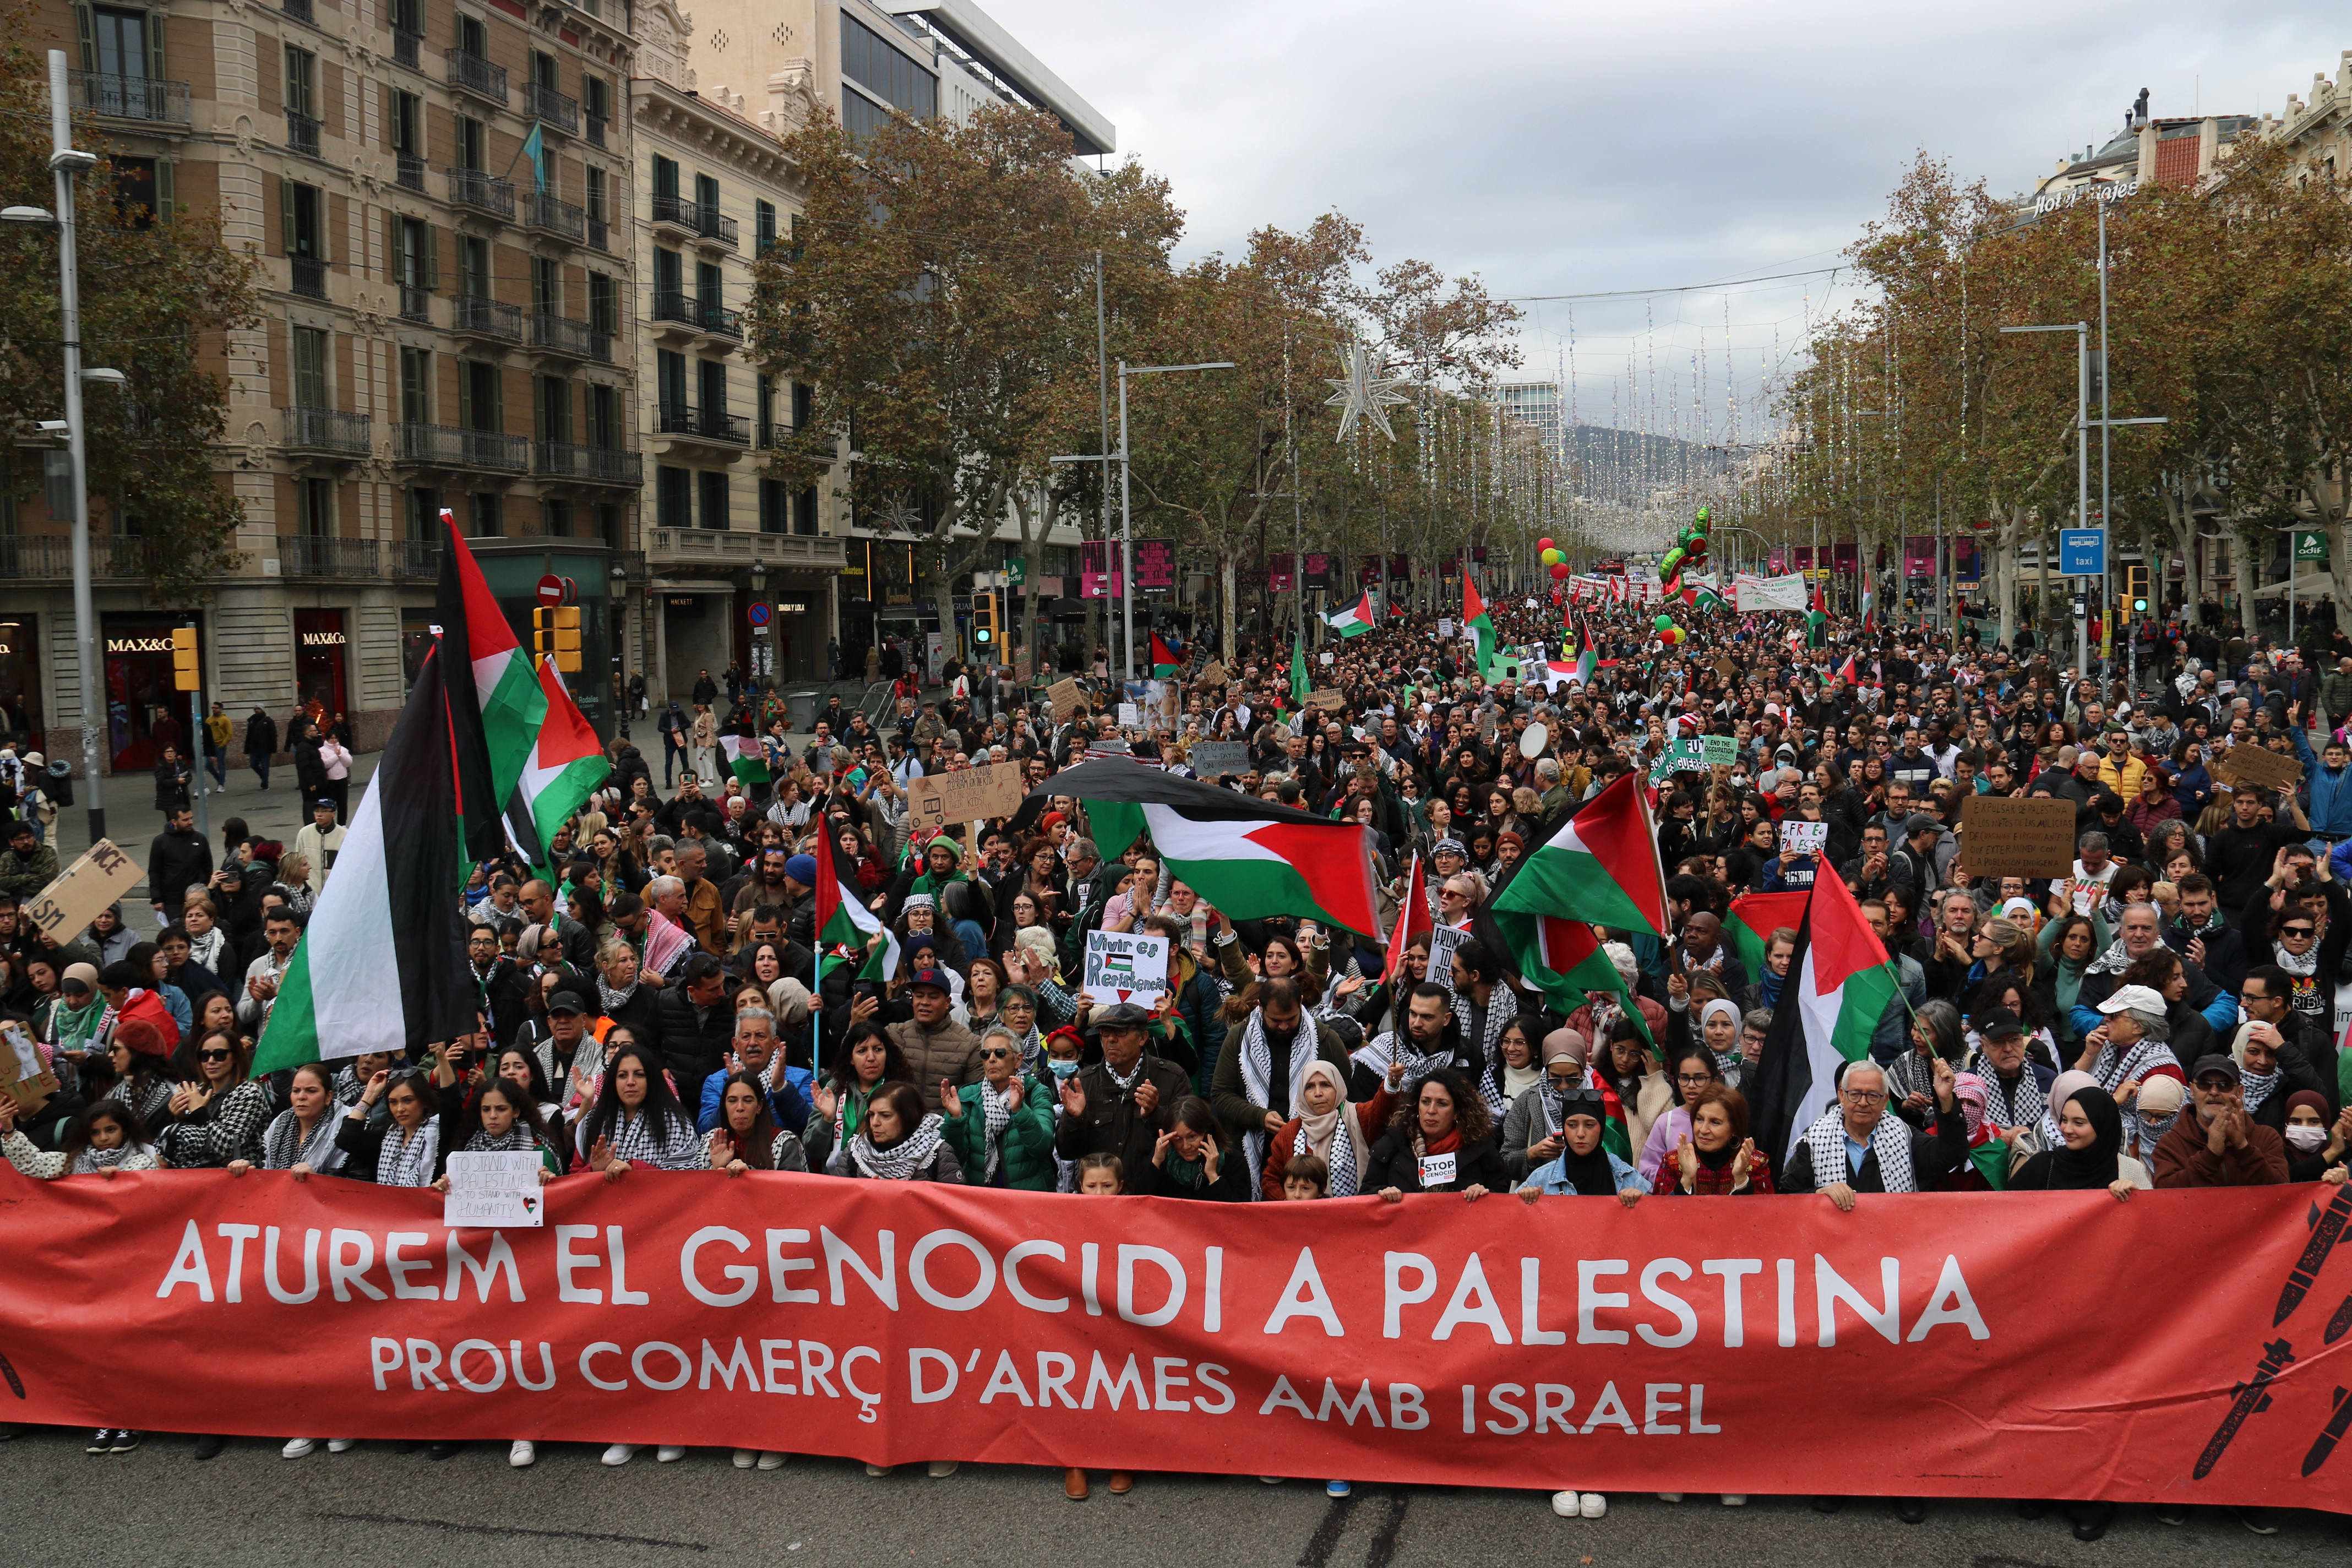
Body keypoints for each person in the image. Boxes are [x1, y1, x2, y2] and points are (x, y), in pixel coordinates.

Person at [1779, 1057, 1968, 1202]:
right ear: (1841, 1096)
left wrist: (1946, 1101)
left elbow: (1952, 1154)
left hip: (1892, 1245)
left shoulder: (1904, 1136)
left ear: (1885, 1100)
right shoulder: (1815, 1140)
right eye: (1855, 1094)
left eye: (1872, 1096)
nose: (1863, 1103)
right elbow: (1788, 1194)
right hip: (1830, 1246)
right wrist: (1820, 1193)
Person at [939, 1025, 1056, 1189]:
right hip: (980, 1196)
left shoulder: (1036, 1092)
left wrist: (1020, 1111)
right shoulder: (968, 1095)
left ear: (1018, 1060)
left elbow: (1043, 1147)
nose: (991, 1059)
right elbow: (955, 1156)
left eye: (1000, 1053)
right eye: (985, 1054)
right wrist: (956, 1121)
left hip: (1027, 1197)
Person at [2152, 1054, 2289, 1188]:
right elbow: (2166, 1196)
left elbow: (2282, 1192)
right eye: (2204, 1085)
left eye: (2224, 1085)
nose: (2214, 1092)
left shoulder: (2266, 1138)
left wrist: (2243, 1148)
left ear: (2240, 1092)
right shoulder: (2171, 1144)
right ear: (2192, 1091)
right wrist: (2210, 1154)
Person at [1366, 1068, 1506, 1199]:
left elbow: (1502, 1195)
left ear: (1457, 1112)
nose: (1431, 1110)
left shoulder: (1480, 1147)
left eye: (1442, 1104)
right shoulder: (1394, 1141)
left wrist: (1485, 1195)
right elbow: (1366, 1194)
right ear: (1417, 1106)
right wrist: (1382, 1194)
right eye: (1426, 1102)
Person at [2008, 1081, 2147, 1197]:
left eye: (2079, 1123)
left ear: (2103, 1126)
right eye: (2064, 1120)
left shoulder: (2131, 1170)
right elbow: (2008, 1213)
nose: (2067, 1129)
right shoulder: (2041, 1166)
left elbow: (2152, 1219)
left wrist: (2136, 1196)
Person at [1651, 1083, 1773, 1195]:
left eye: (1715, 1122)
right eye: (1699, 1119)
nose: (1703, 1130)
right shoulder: (1674, 1162)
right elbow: (1660, 1212)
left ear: (1734, 1128)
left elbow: (1766, 1214)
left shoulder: (1755, 1163)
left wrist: (1741, 1179)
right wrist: (1687, 1179)